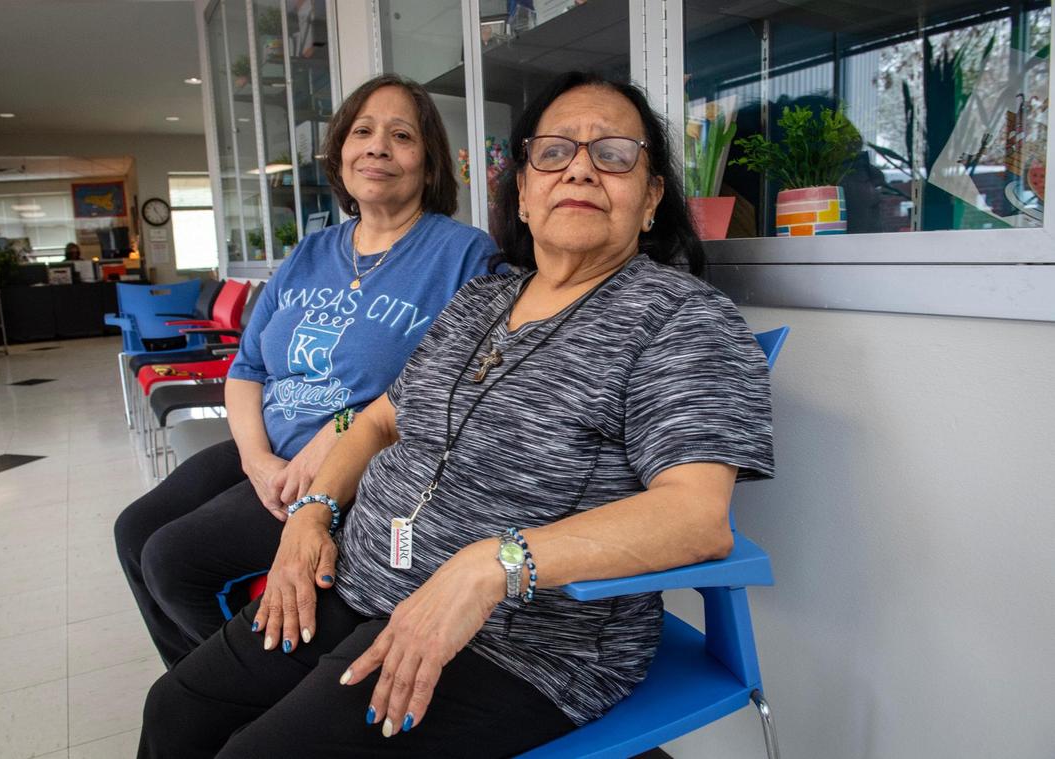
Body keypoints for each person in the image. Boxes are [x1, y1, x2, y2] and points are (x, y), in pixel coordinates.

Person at [138, 71, 774, 758]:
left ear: (650, 199)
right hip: (361, 579)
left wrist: (489, 565)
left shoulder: (683, 319)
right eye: (555, 152)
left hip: (524, 640)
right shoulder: (480, 303)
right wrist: (314, 510)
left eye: (614, 154)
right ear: (524, 195)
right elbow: (376, 420)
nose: (582, 169)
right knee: (174, 709)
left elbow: (696, 517)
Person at [114, 73, 497, 667]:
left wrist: (343, 432)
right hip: (272, 449)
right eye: (363, 132)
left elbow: (461, 382)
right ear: (341, 154)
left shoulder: (464, 254)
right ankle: (205, 684)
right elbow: (246, 368)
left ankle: (243, 689)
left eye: (401, 135)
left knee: (174, 560)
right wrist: (256, 460)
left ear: (429, 165)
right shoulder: (310, 253)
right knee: (134, 531)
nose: (377, 147)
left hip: (359, 470)